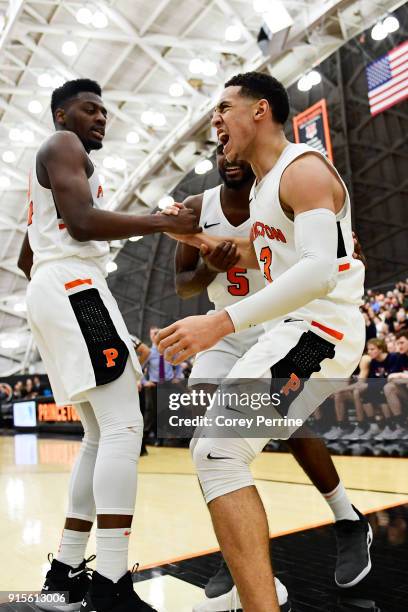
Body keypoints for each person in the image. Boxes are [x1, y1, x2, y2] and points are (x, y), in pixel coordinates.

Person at [158, 71, 369, 612]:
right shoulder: (262, 188)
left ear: (260, 111)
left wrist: (220, 323)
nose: (216, 120)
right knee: (215, 450)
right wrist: (195, 238)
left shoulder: (302, 170)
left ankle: (263, 593)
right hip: (294, 331)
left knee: (220, 449)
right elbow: (263, 255)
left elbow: (321, 270)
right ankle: (259, 593)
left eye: (224, 107)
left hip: (323, 332)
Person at [17, 78, 200, 612]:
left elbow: (29, 260)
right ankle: (112, 582)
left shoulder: (52, 168)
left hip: (56, 290)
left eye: (104, 111)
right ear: (61, 115)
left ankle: (65, 573)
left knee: (99, 434)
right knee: (123, 426)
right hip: (75, 290)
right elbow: (81, 223)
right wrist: (162, 223)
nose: (100, 118)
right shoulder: (61, 146)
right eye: (88, 109)